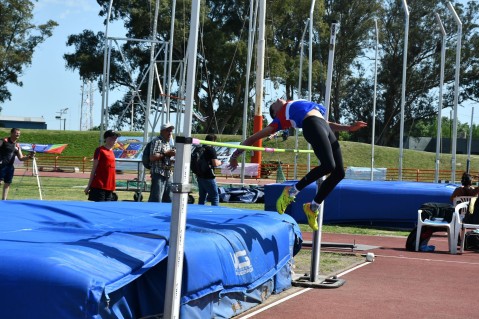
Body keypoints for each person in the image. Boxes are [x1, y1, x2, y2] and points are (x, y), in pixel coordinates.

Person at [228, 98, 367, 230]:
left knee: (339, 173)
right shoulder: (281, 117)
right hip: (311, 125)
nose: (276, 100)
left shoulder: (297, 103)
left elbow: (327, 123)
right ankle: (292, 190)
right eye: (273, 105)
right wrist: (235, 156)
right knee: (328, 165)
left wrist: (349, 128)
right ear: (275, 113)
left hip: (323, 125)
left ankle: (312, 207)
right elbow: (253, 138)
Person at [84, 129, 120, 201]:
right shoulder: (100, 150)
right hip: (100, 185)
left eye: (116, 139)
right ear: (106, 139)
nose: (114, 140)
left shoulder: (112, 152)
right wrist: (89, 186)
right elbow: (94, 168)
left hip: (109, 186)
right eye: (112, 138)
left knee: (107, 208)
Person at [0, 128, 35, 200]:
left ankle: (4, 200)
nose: (18, 134)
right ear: (11, 133)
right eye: (16, 133)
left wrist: (29, 156)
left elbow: (21, 158)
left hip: (10, 167)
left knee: (7, 183)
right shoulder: (4, 141)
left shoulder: (17, 145)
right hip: (1, 165)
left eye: (19, 133)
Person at [148, 122, 176, 202]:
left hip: (168, 173)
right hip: (159, 173)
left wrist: (172, 158)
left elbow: (166, 156)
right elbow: (152, 157)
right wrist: (167, 153)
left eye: (171, 131)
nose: (170, 133)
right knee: (156, 198)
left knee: (169, 198)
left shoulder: (168, 142)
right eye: (168, 130)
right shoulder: (157, 141)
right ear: (162, 131)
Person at [196, 134, 222, 206]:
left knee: (202, 197)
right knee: (215, 196)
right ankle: (215, 212)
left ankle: (200, 211)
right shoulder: (211, 150)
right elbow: (215, 163)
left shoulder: (199, 149)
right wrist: (220, 162)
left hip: (199, 175)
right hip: (208, 175)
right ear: (213, 141)